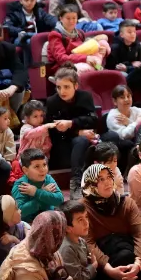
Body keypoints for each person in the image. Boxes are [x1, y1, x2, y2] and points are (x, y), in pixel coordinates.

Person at [44, 68, 99, 197]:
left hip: (86, 139)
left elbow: (94, 120)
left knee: (112, 138)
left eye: (66, 87)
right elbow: (53, 132)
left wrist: (71, 124)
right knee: (81, 141)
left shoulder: (85, 96)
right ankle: (75, 182)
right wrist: (78, 132)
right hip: (63, 144)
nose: (62, 91)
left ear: (76, 86)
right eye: (58, 87)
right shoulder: (52, 102)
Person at [11, 148, 64, 224]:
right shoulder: (21, 185)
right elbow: (20, 212)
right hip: (29, 224)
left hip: (50, 220)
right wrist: (43, 194)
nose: (42, 169)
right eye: (37, 166)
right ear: (25, 170)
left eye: (44, 165)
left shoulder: (48, 178)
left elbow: (59, 200)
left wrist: (37, 192)